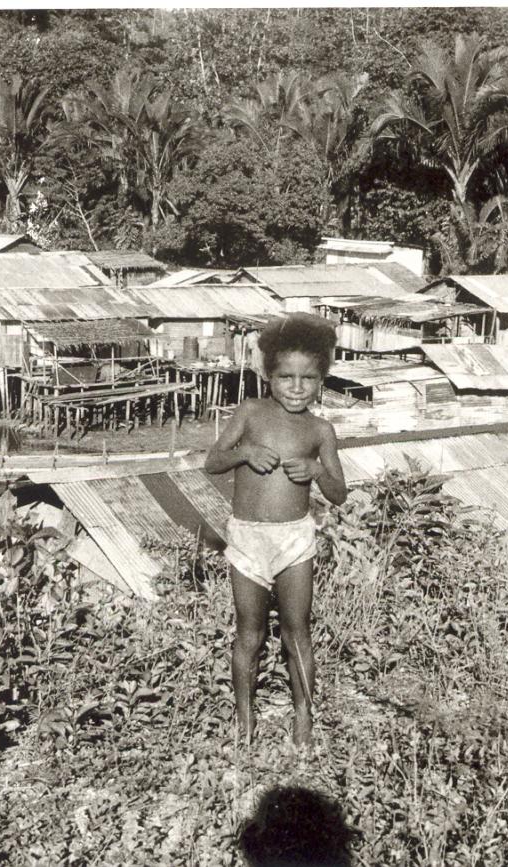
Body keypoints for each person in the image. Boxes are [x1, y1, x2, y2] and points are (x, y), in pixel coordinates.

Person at [205, 313, 347, 747]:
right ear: (269, 375)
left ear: (322, 379)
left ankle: (303, 716)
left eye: (308, 378)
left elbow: (339, 493)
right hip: (248, 537)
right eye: (286, 377)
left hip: (294, 540)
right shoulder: (250, 413)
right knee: (249, 631)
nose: (297, 387)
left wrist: (317, 470)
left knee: (296, 630)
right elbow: (212, 463)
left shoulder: (321, 430)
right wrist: (244, 453)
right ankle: (244, 722)